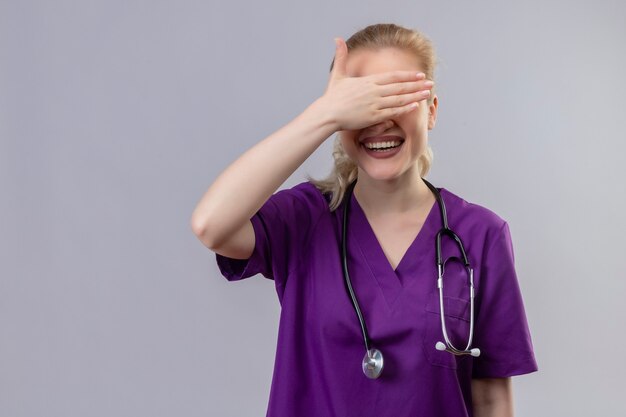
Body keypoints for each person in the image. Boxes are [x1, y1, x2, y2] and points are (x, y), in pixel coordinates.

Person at [191, 23, 538, 417]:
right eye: (363, 103)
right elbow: (210, 224)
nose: (380, 120)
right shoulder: (304, 220)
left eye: (399, 99)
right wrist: (322, 116)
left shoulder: (480, 235)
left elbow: (491, 398)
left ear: (432, 112)